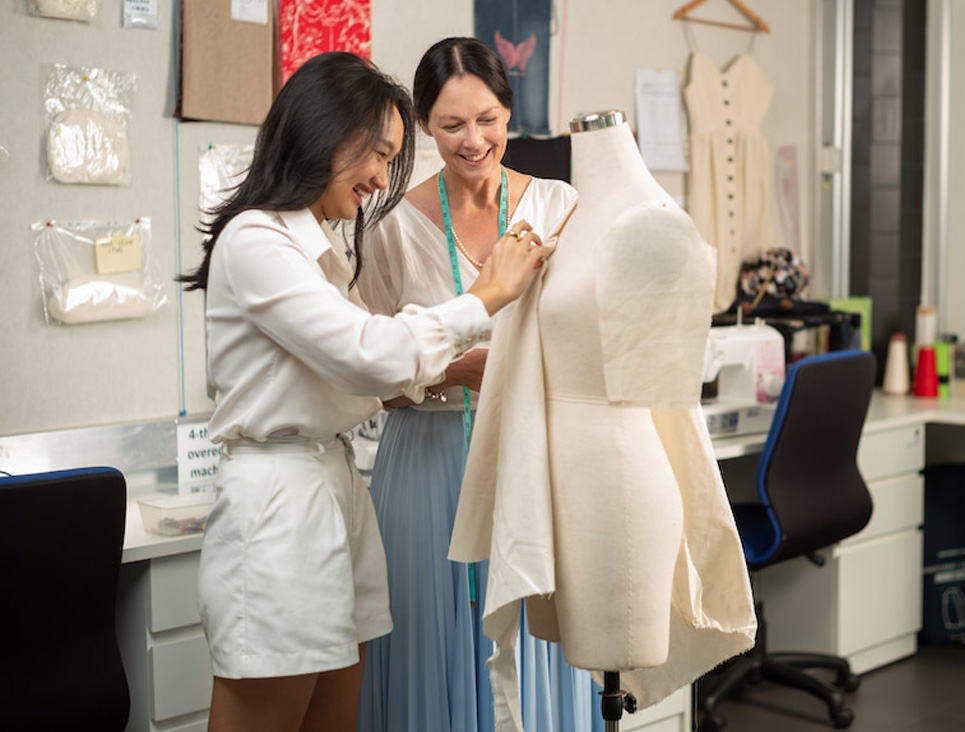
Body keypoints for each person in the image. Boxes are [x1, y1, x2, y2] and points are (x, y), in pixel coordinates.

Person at [177, 51, 545, 732]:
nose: (381, 178)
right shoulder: (256, 240)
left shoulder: (320, 248)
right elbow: (367, 354)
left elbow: (352, 373)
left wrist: (442, 370)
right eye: (377, 154)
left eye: (391, 158)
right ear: (322, 134)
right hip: (279, 506)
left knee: (336, 716)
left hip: (334, 485)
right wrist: (488, 293)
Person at [449, 110, 757, 730]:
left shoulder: (651, 222)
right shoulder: (563, 215)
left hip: (619, 482)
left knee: (612, 665)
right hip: (566, 478)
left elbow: (668, 372)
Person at [355, 37, 595, 732]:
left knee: (539, 641)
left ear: (509, 113)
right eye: (452, 125)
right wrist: (455, 372)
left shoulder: (559, 207)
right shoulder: (390, 224)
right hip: (430, 470)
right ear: (423, 125)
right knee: (437, 649)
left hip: (537, 463)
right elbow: (371, 376)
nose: (473, 140)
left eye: (487, 119)